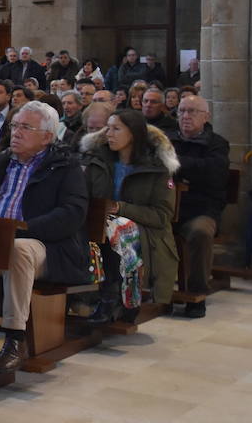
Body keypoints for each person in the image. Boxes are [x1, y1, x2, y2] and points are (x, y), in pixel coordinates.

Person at [0, 101, 91, 372]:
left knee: (19, 250)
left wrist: (21, 229)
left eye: (25, 127)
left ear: (47, 136)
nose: (16, 133)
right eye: (15, 126)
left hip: (48, 247)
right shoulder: (2, 161)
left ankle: (14, 338)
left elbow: (71, 215)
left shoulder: (66, 167)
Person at [80, 108, 179, 322]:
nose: (109, 134)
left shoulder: (157, 168)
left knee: (118, 228)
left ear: (133, 133)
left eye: (116, 129)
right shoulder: (99, 161)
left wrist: (120, 208)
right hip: (99, 227)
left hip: (145, 234)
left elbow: (162, 216)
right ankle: (85, 294)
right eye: (108, 129)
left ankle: (114, 298)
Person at [164, 96, 229, 318]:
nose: (185, 116)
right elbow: (157, 168)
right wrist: (189, 171)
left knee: (200, 232)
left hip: (202, 208)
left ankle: (197, 294)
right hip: (169, 208)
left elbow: (213, 174)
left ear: (206, 116)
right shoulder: (167, 139)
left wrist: (175, 163)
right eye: (181, 111)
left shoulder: (217, 143)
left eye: (192, 111)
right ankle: (158, 293)